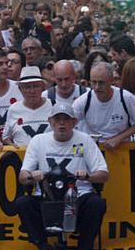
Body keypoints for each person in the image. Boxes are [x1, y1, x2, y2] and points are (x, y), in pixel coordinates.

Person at [17, 103, 108, 250]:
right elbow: (22, 176)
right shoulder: (38, 141)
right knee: (23, 203)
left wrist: (88, 177)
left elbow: (103, 174)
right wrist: (32, 175)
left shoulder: (85, 140)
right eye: (57, 119)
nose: (61, 123)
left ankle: (84, 246)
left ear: (74, 122)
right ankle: (43, 246)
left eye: (66, 119)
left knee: (96, 203)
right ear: (50, 122)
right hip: (47, 198)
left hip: (77, 196)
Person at [72, 62, 135, 149]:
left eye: (101, 83)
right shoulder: (83, 101)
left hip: (121, 149)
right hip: (94, 149)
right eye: (93, 82)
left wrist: (118, 138)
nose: (97, 87)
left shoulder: (125, 98)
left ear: (111, 81)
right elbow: (68, 124)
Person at [4, 66, 53, 146]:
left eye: (36, 86)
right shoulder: (13, 109)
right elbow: (6, 136)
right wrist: (11, 146)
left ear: (42, 87)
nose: (32, 91)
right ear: (20, 89)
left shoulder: (54, 106)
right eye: (27, 87)